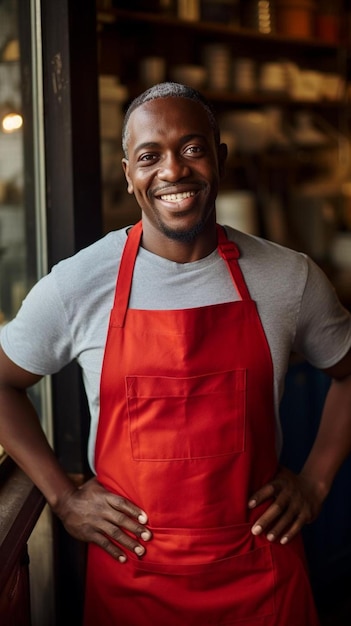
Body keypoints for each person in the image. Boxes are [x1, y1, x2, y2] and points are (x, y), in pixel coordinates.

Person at [0, 82, 351, 626]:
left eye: (192, 148)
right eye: (150, 156)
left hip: (261, 574)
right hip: (132, 582)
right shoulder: (80, 284)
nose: (173, 171)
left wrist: (317, 480)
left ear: (220, 158)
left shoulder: (288, 277)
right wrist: (62, 497)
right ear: (128, 173)